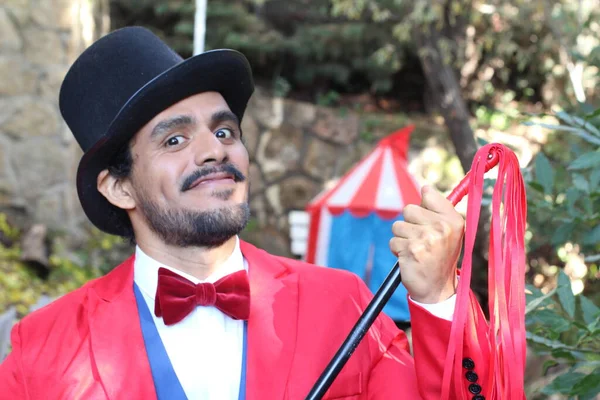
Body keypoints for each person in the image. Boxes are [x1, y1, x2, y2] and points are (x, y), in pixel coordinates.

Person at [0, 27, 489, 400]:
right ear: (120, 187)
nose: (214, 151)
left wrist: (438, 301)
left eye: (224, 132)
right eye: (174, 139)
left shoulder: (345, 305)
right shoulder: (41, 350)